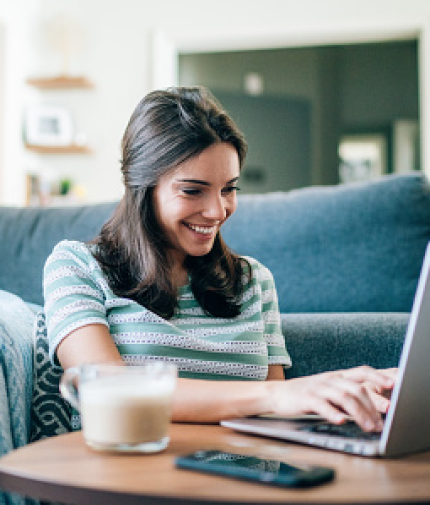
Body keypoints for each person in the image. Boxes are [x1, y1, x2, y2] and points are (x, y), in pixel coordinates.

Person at [43, 86, 394, 433]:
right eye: (193, 190)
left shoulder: (253, 281)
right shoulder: (77, 267)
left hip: (250, 482)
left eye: (229, 188)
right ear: (141, 187)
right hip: (131, 479)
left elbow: (277, 417)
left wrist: (343, 397)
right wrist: (277, 394)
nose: (217, 210)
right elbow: (106, 391)